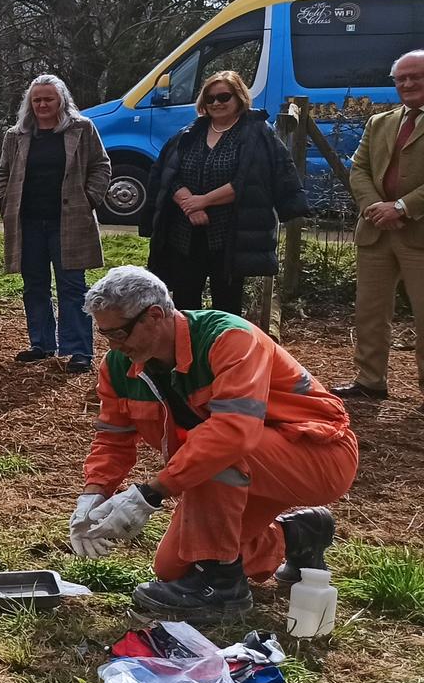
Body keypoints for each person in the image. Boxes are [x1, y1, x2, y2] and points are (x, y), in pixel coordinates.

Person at [68, 266, 353, 622]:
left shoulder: (229, 338)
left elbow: (233, 433)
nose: (113, 345)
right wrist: (94, 493)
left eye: (119, 333)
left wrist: (151, 492)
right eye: (104, 334)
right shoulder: (120, 365)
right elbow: (113, 436)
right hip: (240, 466)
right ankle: (298, 535)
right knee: (174, 569)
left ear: (154, 317)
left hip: (318, 455)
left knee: (214, 447)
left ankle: (222, 588)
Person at [142, 71, 306, 319]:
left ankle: (225, 356)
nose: (217, 103)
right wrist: (189, 205)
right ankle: (191, 355)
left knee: (226, 307)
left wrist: (202, 201)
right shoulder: (190, 132)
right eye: (210, 98)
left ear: (239, 97)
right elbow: (166, 173)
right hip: (184, 234)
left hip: (229, 236)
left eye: (223, 97)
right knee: (185, 307)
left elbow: (252, 181)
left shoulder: (256, 133)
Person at [0, 74, 111, 374]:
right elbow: (2, 172)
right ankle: (42, 344)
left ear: (62, 100)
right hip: (28, 223)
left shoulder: (82, 129)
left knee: (72, 287)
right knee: (34, 286)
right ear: (29, 104)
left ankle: (79, 351)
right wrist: (3, 202)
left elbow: (101, 166)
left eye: (48, 99)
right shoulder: (16, 135)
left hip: (70, 223)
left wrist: (90, 199)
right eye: (37, 99)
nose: (42, 104)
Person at [336, 49, 424, 404]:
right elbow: (358, 170)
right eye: (400, 79)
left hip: (417, 233)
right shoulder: (380, 122)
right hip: (375, 232)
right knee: (370, 312)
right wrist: (374, 206)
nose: (407, 84)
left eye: (415, 76)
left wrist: (402, 208)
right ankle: (370, 381)